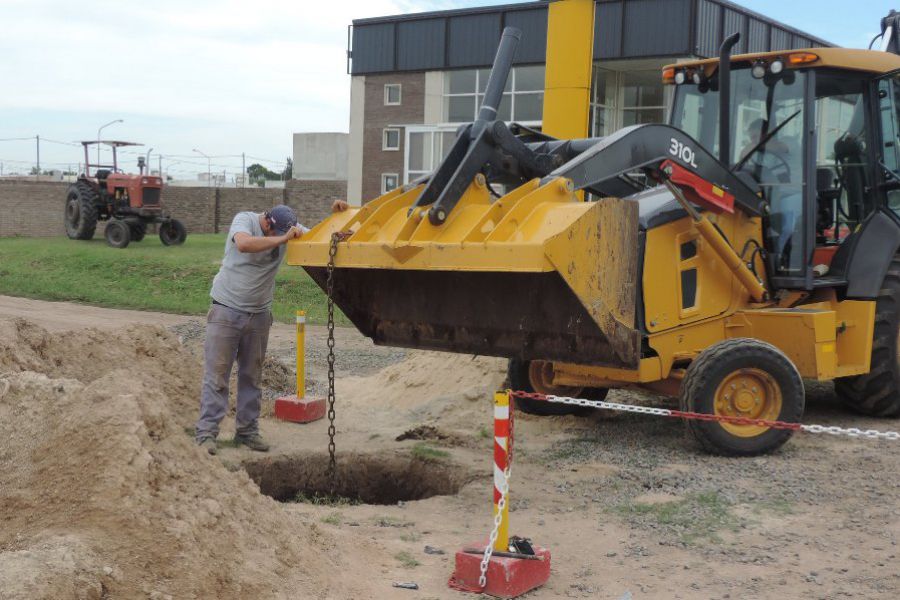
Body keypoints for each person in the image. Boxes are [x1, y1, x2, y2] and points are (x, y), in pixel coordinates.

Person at [196, 200, 349, 455]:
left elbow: (320, 239)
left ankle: (247, 432)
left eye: (284, 235)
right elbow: (243, 244)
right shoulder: (244, 219)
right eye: (276, 233)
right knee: (217, 375)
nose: (281, 238)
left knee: (252, 376)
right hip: (226, 309)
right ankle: (206, 434)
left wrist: (341, 219)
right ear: (267, 221)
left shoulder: (289, 227)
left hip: (259, 315)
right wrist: (282, 240)